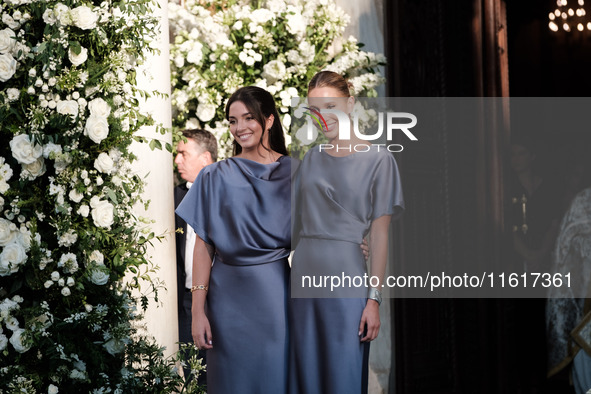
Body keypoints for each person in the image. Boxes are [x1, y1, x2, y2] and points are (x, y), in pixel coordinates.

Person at [289, 71, 404, 394]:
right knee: (305, 375)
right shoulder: (309, 158)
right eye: (315, 109)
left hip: (347, 279)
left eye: (331, 106)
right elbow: (289, 227)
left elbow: (380, 235)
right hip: (303, 278)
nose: (323, 117)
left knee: (343, 374)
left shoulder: (380, 159)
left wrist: (374, 300)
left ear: (350, 104)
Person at [175, 86, 292, 394]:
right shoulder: (214, 176)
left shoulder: (295, 173)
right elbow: (203, 247)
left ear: (268, 121)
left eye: (248, 118)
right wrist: (198, 312)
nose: (240, 128)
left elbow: (317, 234)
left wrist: (355, 243)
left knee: (274, 381)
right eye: (232, 120)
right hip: (225, 302)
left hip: (275, 300)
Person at [173, 128, 217, 383]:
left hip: (224, 296)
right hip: (189, 303)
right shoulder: (176, 195)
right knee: (195, 377)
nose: (177, 160)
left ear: (205, 157)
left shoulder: (228, 190)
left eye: (183, 154)